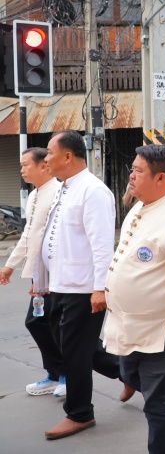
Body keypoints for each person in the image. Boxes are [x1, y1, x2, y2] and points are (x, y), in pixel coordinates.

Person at [102, 145, 165, 453]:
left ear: (160, 178)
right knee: (130, 376)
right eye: (131, 169)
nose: (130, 176)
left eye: (138, 171)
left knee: (159, 405)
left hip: (164, 330)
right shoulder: (140, 206)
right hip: (128, 324)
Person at [37, 131, 116, 440]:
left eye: (50, 152)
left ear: (68, 156)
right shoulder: (65, 187)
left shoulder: (93, 191)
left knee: (74, 353)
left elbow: (102, 245)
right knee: (75, 347)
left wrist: (100, 288)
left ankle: (80, 413)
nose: (46, 158)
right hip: (61, 284)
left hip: (82, 289)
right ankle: (129, 372)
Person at [0, 148, 62, 396]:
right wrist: (9, 265)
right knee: (39, 322)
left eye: (26, 165)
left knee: (51, 325)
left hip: (55, 274)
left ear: (43, 166)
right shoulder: (35, 194)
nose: (22, 170)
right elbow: (29, 235)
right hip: (41, 273)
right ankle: (56, 374)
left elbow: (55, 240)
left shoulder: (58, 192)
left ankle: (66, 375)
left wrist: (44, 277)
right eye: (21, 165)